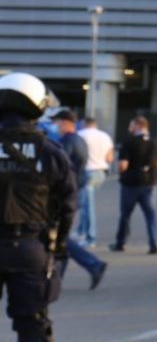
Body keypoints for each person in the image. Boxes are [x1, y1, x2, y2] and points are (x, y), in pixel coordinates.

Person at [0, 73, 76, 342]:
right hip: (28, 248)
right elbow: (67, 207)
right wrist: (57, 251)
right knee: (32, 324)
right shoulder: (50, 152)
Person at [49, 110, 106, 290]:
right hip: (75, 190)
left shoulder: (66, 142)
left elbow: (57, 168)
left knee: (59, 236)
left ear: (65, 123)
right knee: (60, 236)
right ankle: (58, 278)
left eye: (57, 122)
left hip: (63, 194)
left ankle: (93, 264)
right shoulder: (80, 140)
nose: (56, 126)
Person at [109, 117, 157, 255]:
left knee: (126, 214)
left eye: (131, 125)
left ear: (137, 125)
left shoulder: (129, 141)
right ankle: (153, 242)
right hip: (148, 182)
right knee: (150, 214)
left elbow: (123, 165)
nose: (129, 128)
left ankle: (121, 242)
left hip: (130, 183)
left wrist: (122, 171)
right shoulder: (154, 142)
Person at [75, 117, 112, 247]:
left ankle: (90, 237)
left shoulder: (80, 135)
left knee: (86, 206)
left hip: (86, 171)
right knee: (85, 203)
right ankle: (80, 230)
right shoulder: (105, 136)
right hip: (101, 172)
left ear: (84, 124)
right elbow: (110, 157)